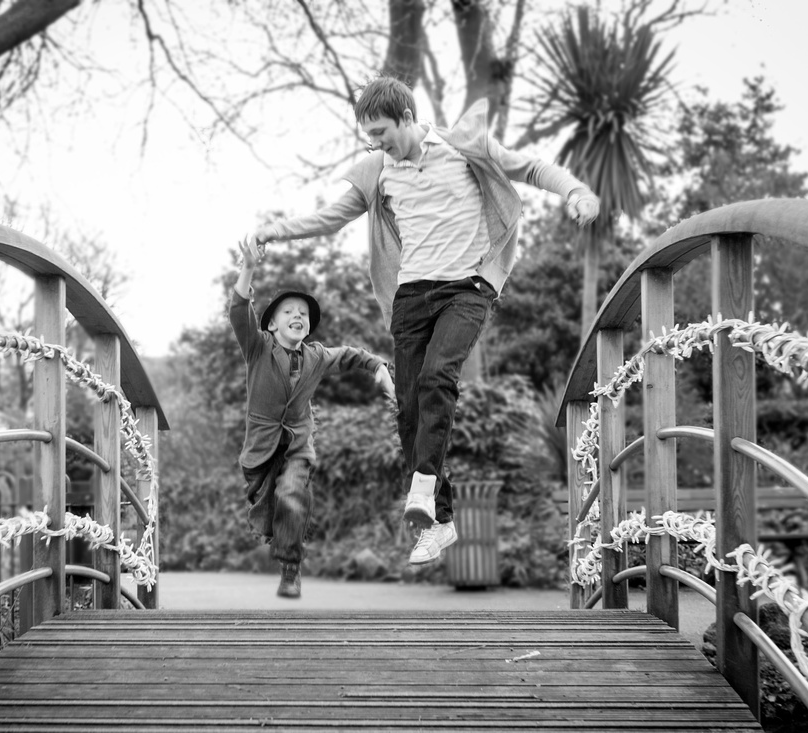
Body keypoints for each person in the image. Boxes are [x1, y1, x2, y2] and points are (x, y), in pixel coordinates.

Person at [249, 75, 600, 566]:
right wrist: (273, 230)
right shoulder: (379, 170)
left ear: (408, 119)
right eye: (368, 136)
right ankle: (441, 522)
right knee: (409, 407)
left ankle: (421, 489)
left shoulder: (464, 147)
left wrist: (577, 192)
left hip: (467, 288)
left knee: (439, 377)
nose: (376, 143)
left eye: (381, 132)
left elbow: (534, 168)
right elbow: (330, 217)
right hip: (411, 296)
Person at [230, 237, 395, 598]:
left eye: (302, 314)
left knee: (292, 491)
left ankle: (291, 570)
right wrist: (249, 267)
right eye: (288, 312)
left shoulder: (316, 357)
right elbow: (239, 311)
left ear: (308, 327)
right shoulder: (257, 348)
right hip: (261, 450)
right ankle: (284, 527)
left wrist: (379, 368)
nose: (297, 317)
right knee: (273, 509)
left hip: (299, 446)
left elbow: (352, 355)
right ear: (271, 325)